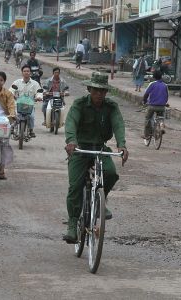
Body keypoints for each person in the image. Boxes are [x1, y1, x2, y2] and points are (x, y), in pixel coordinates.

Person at [62, 72, 129, 243]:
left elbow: (118, 124)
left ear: (106, 92)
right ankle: (72, 223)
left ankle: (99, 202)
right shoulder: (79, 104)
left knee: (111, 173)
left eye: (103, 91)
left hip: (99, 148)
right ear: (89, 89)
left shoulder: (111, 107)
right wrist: (71, 141)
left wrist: (122, 144)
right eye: (96, 90)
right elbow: (71, 122)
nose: (99, 94)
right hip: (80, 149)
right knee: (75, 186)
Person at [9, 65, 42, 138]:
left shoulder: (35, 83)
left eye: (28, 71)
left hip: (30, 105)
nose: (26, 72)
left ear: (30, 73)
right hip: (19, 104)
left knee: (32, 116)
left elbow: (39, 92)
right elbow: (11, 90)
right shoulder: (17, 82)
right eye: (24, 71)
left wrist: (39, 97)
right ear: (22, 73)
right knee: (15, 115)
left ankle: (31, 130)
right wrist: (12, 94)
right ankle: (12, 127)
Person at [142, 70, 169, 139]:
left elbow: (146, 94)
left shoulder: (152, 84)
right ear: (161, 77)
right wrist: (165, 103)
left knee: (147, 118)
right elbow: (166, 96)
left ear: (154, 77)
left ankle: (146, 135)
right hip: (162, 106)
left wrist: (144, 101)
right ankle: (161, 126)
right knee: (160, 118)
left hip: (152, 106)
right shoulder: (165, 85)